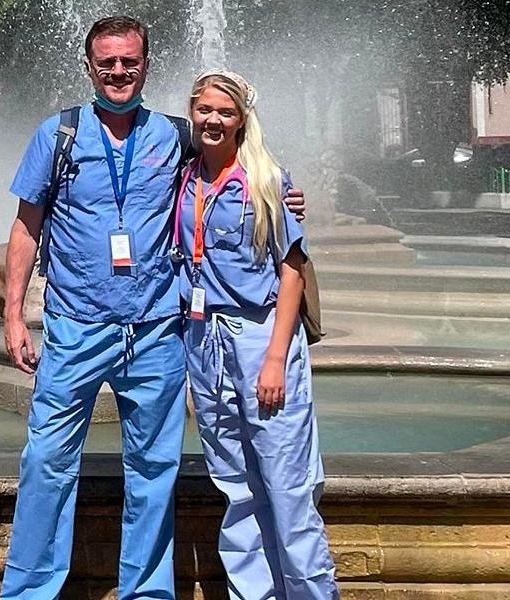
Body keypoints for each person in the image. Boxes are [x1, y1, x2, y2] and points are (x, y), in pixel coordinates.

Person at [0, 16, 307, 600]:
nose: (119, 71)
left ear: (146, 66)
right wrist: (15, 314)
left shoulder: (173, 134)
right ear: (90, 66)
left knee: (154, 473)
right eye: (107, 62)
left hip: (157, 331)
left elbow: (235, 153)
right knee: (45, 462)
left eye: (130, 61)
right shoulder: (57, 135)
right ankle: (30, 591)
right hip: (75, 327)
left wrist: (282, 190)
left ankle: (147, 592)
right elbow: (25, 226)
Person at [176, 70, 338, 600]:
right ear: (192, 113)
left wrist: (274, 359)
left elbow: (292, 268)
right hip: (205, 343)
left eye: (225, 111)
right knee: (236, 488)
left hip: (259, 338)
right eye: (204, 110)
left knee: (288, 490)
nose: (213, 120)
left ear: (243, 118)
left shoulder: (268, 180)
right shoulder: (184, 175)